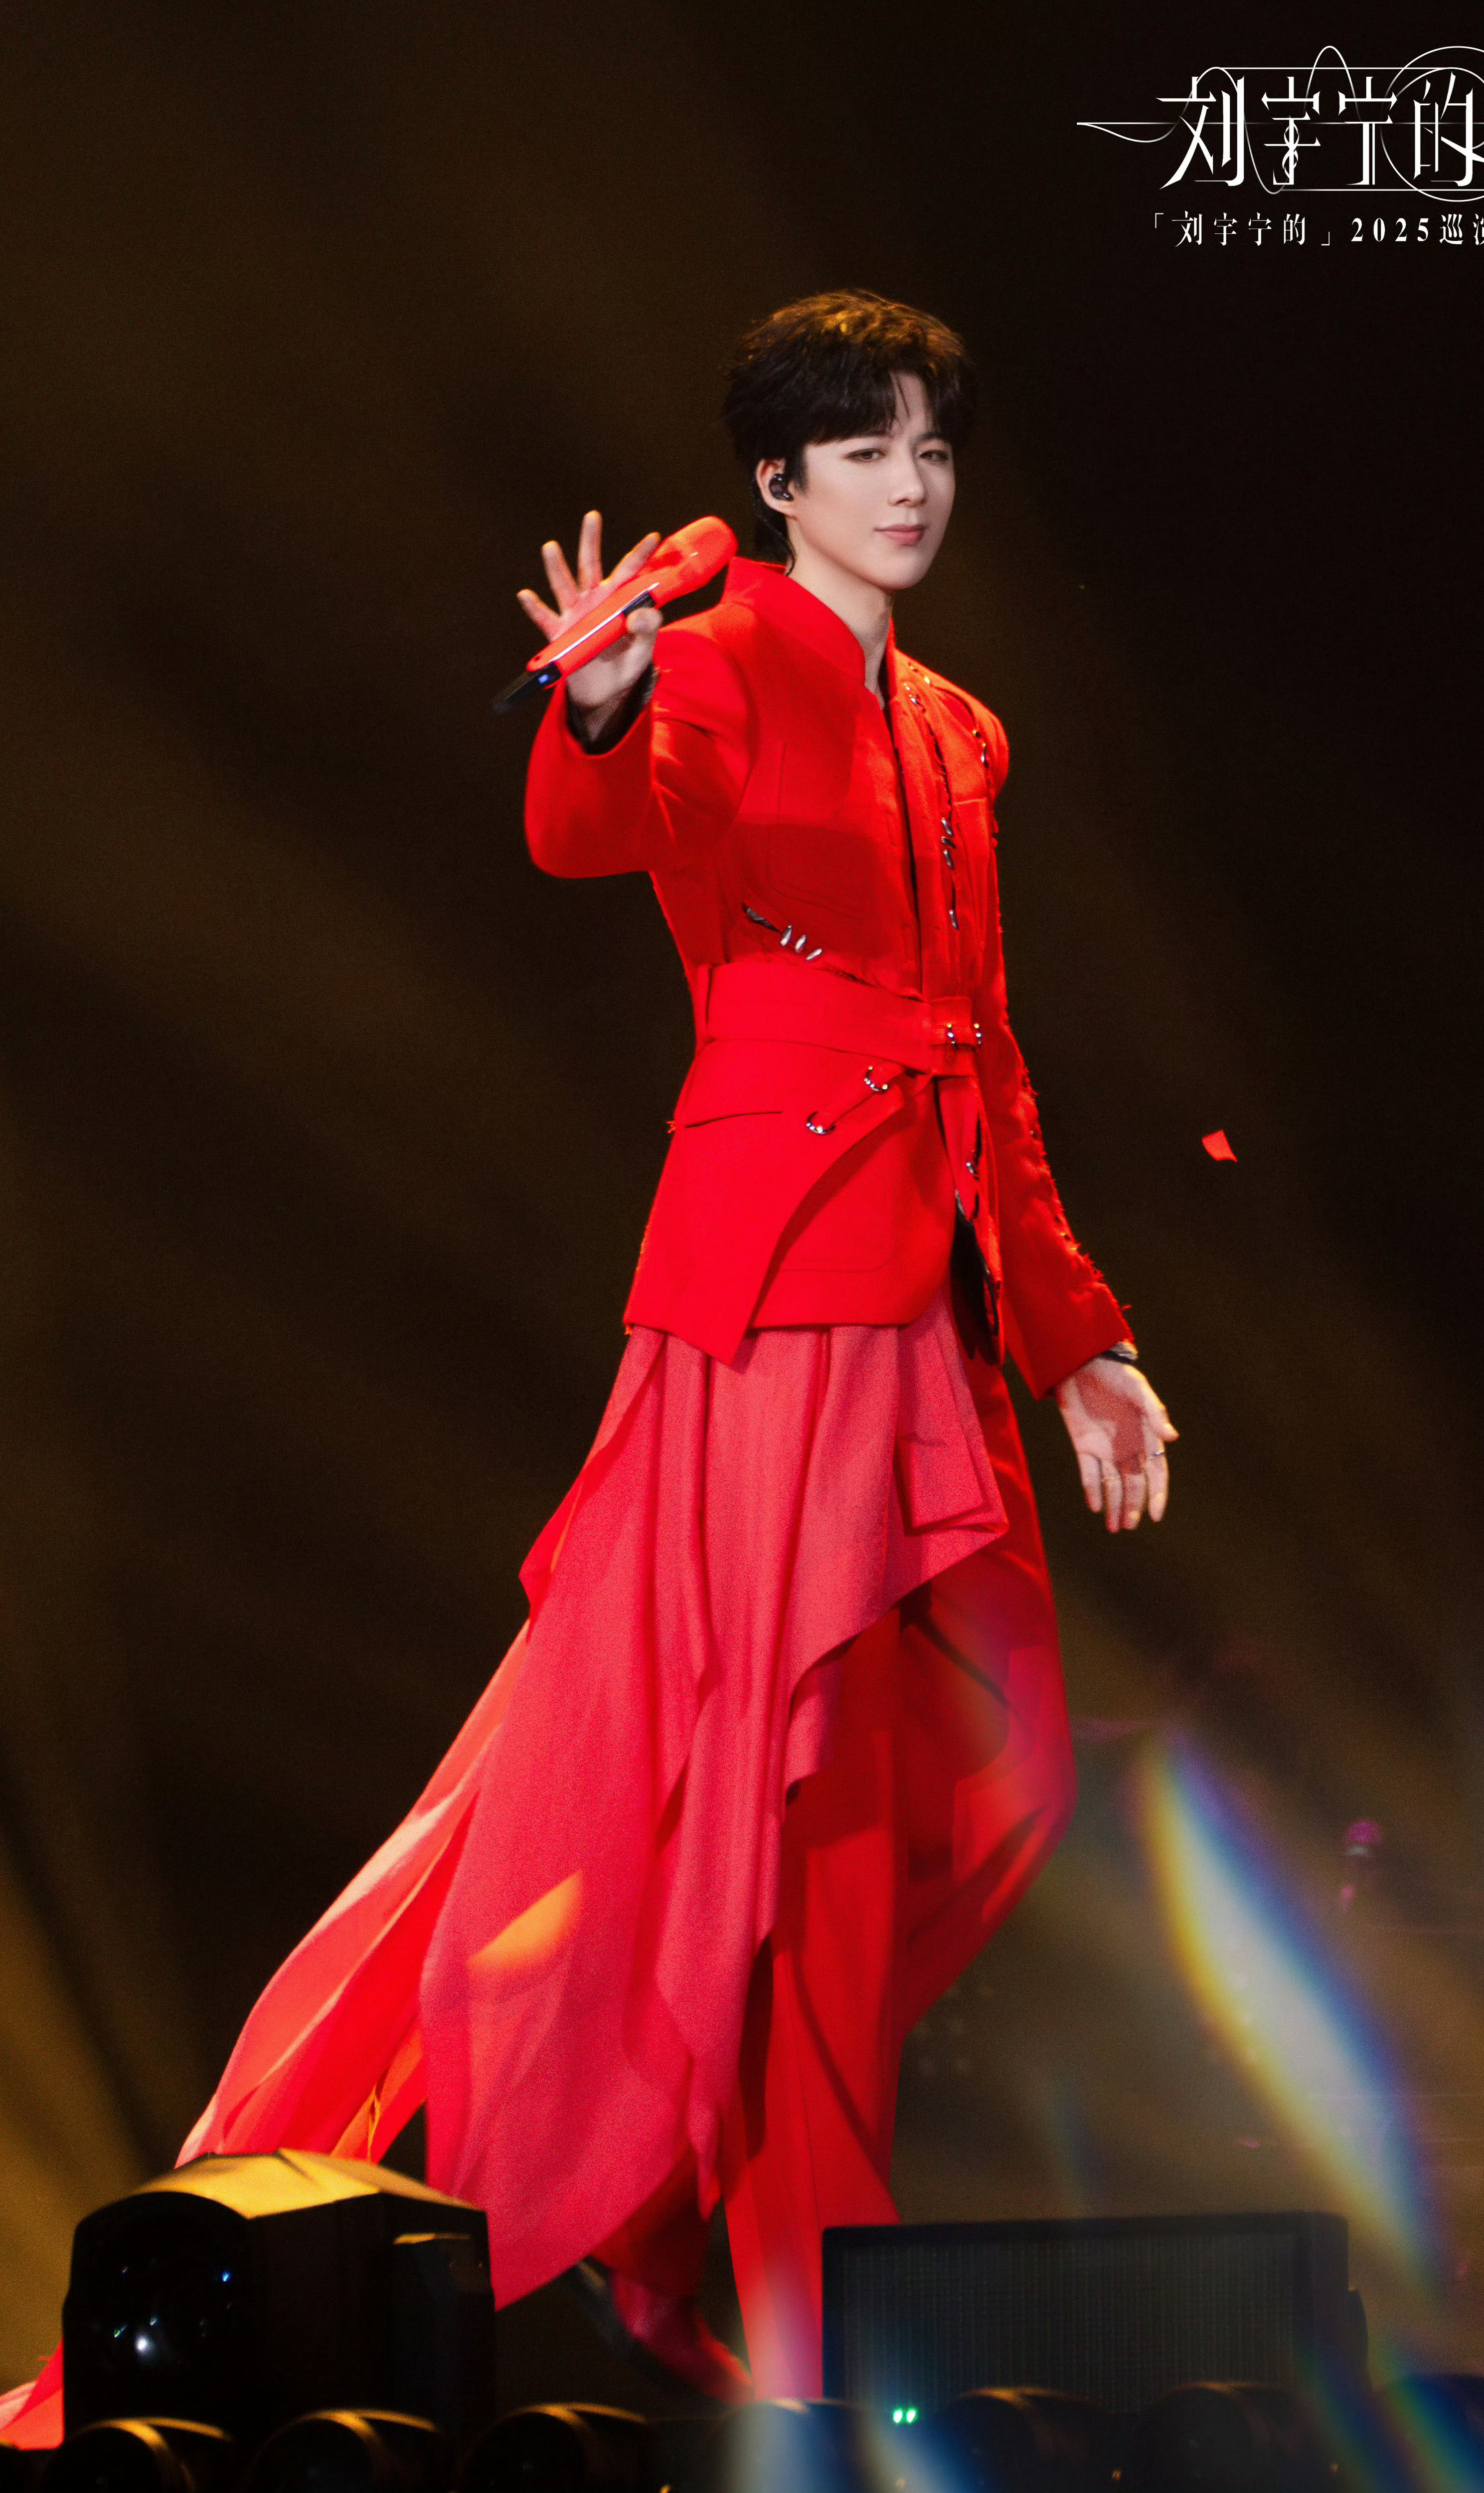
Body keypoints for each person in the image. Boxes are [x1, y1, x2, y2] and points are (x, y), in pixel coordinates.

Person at [0, 291, 1174, 2444]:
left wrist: (1081, 1338)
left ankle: (695, 2189)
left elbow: (986, 1049)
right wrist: (608, 701)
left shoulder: (964, 735)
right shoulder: (711, 658)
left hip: (925, 1308)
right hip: (772, 1302)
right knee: (800, 1825)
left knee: (996, 1769)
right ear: (778, 481)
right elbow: (601, 811)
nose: (910, 482)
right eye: (864, 447)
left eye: (931, 445)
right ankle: (808, 2352)